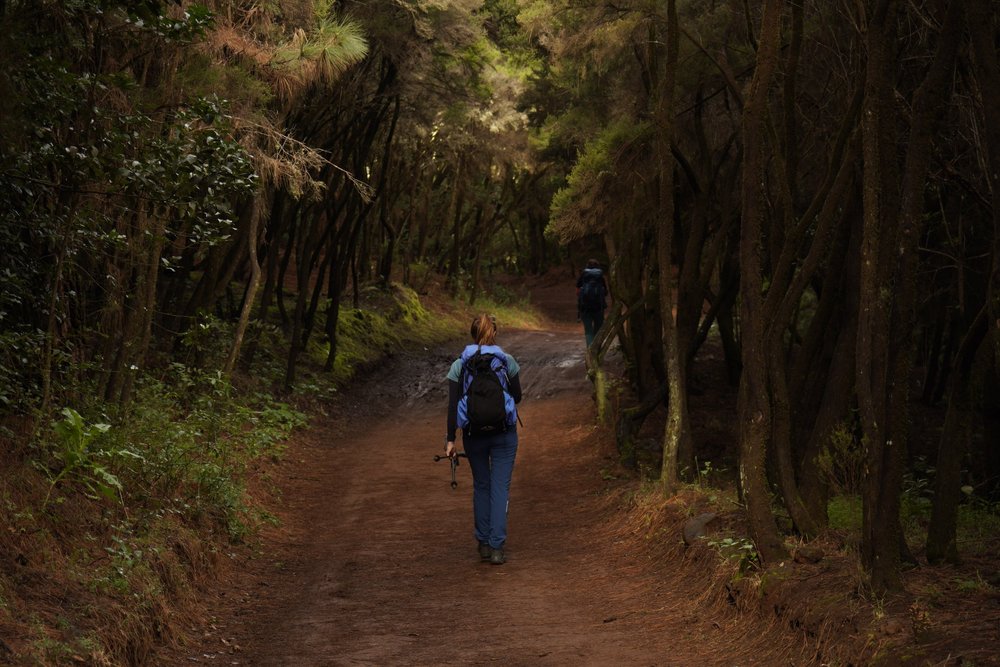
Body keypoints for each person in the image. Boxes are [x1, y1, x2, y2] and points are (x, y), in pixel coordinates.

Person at [445, 314, 523, 565]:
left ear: (472, 334)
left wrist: (450, 440)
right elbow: (518, 396)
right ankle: (497, 548)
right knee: (500, 488)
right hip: (503, 433)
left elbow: (453, 405)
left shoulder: (460, 365)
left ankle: (484, 544)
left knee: (482, 485)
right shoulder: (506, 361)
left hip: (473, 435)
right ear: (494, 334)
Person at [576, 259, 609, 348]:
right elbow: (605, 292)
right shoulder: (600, 277)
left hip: (585, 307)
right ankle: (596, 349)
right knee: (598, 329)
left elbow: (578, 290)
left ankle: (590, 351)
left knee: (588, 331)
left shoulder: (583, 275)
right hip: (598, 307)